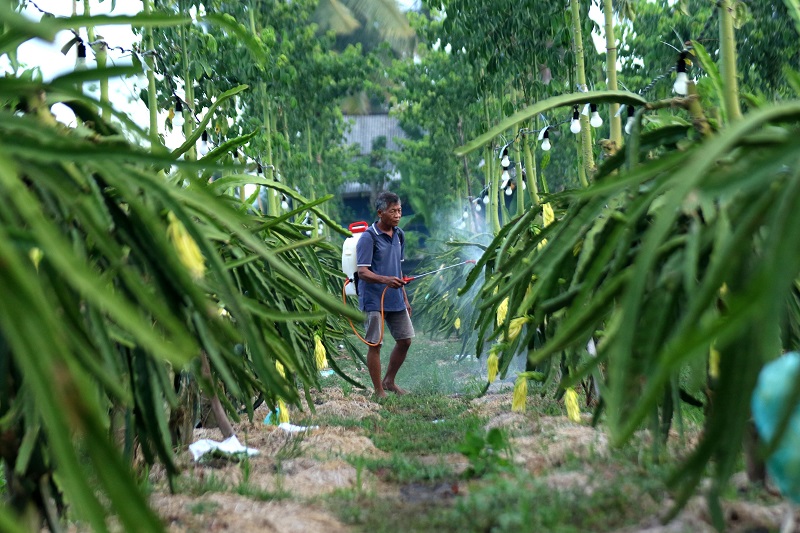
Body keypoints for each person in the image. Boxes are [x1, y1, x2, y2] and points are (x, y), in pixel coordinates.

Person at [356, 191, 414, 398]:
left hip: (395, 298)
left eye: (399, 210)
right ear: (380, 213)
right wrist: (385, 280)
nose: (398, 215)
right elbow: (362, 272)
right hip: (373, 300)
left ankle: (389, 381)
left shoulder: (399, 235)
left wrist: (405, 299)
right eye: (393, 211)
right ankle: (378, 391)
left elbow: (398, 269)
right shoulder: (368, 237)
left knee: (405, 340)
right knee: (375, 345)